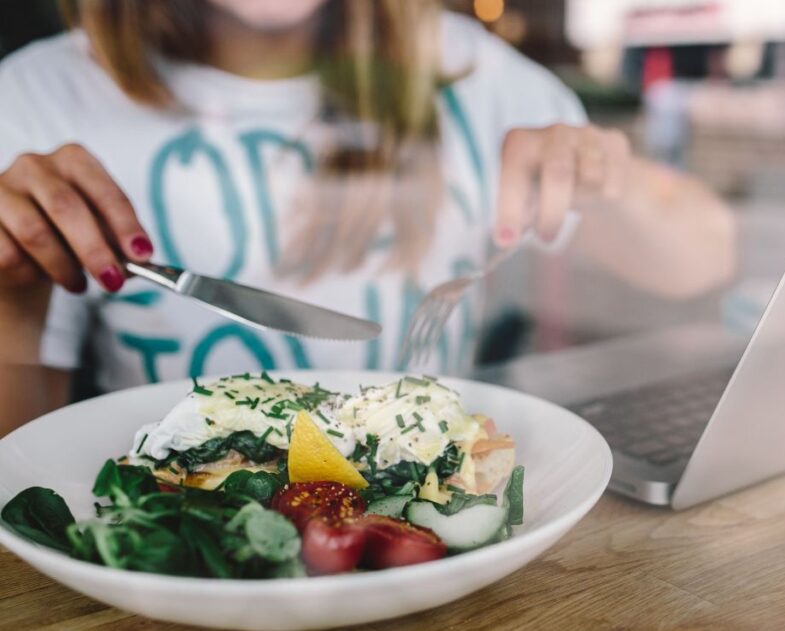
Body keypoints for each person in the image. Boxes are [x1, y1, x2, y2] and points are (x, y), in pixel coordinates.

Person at [0, 0, 734, 435]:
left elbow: (703, 255)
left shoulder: (472, 74)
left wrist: (610, 177)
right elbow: (23, 470)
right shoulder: (36, 96)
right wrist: (13, 294)